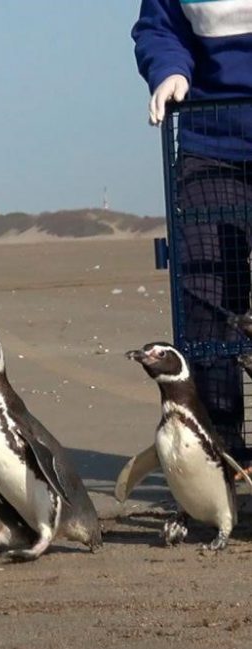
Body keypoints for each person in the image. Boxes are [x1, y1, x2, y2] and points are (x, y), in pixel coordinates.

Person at [134, 0, 252, 456]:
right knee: (206, 297)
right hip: (212, 140)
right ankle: (221, 447)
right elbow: (158, 28)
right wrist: (169, 71)